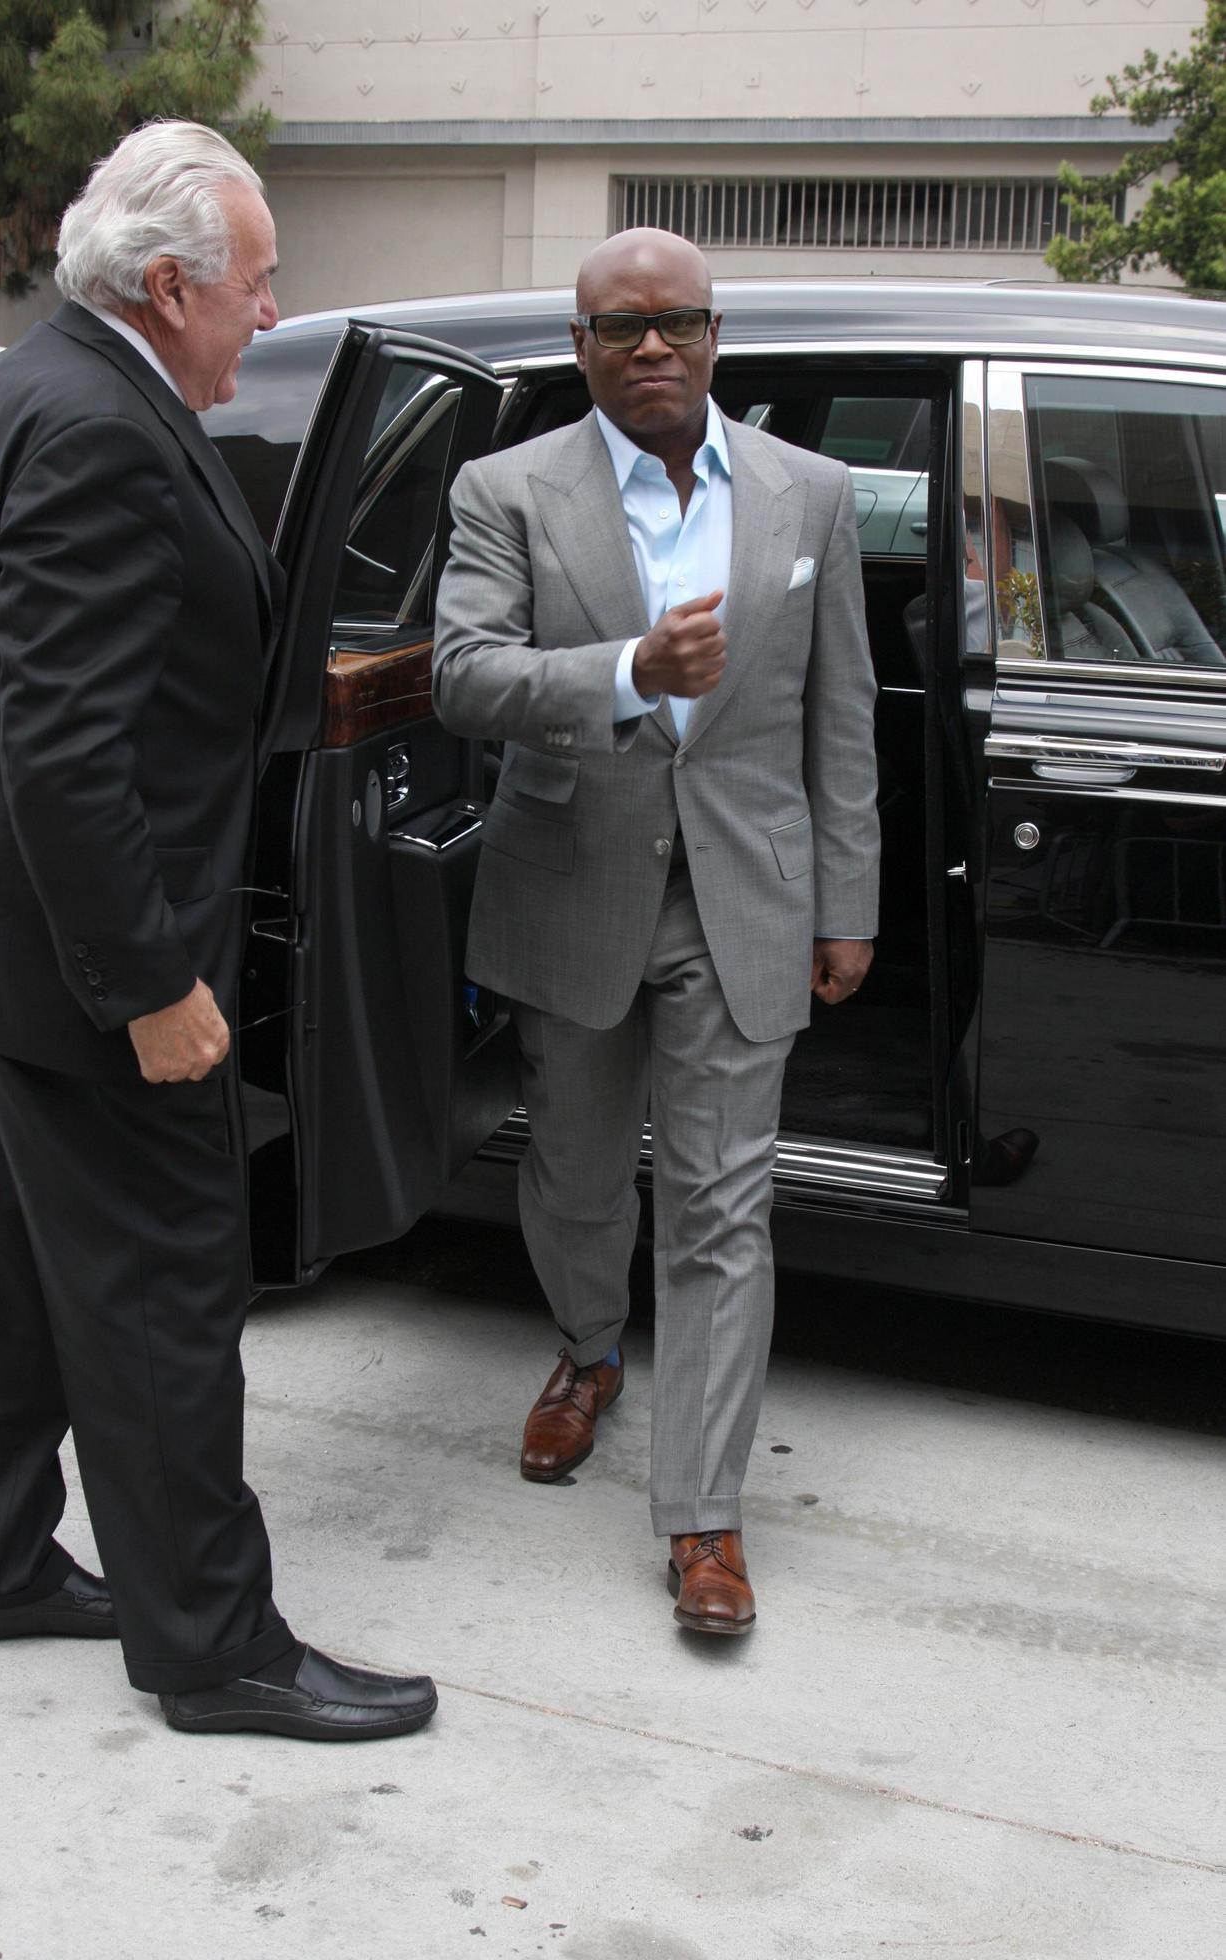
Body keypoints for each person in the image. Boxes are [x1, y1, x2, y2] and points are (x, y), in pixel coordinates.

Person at [0, 121, 436, 1740]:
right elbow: (65, 753)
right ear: (168, 286)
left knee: (10, 1266)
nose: (272, 315)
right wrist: (152, 984)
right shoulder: (97, 430)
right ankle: (214, 1646)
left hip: (5, 952)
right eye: (258, 285)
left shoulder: (29, 379)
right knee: (161, 1295)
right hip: (93, 967)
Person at [433, 228, 879, 1636]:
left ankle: (703, 1520)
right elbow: (461, 678)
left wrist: (846, 901)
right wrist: (627, 668)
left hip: (745, 892)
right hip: (573, 883)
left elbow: (841, 714)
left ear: (713, 336)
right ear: (582, 350)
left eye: (675, 323)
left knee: (719, 1211)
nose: (649, 348)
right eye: (619, 328)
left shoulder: (809, 495)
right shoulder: (506, 488)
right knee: (574, 1177)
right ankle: (584, 1349)